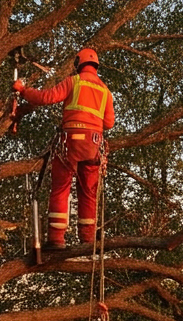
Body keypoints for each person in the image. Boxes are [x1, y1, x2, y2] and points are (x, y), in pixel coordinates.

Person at [14, 48, 115, 248]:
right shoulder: (105, 91)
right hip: (94, 146)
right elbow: (109, 123)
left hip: (70, 142)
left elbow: (46, 97)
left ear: (79, 63)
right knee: (88, 192)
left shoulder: (74, 82)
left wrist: (23, 90)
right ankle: (87, 238)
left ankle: (56, 238)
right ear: (95, 66)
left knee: (61, 187)